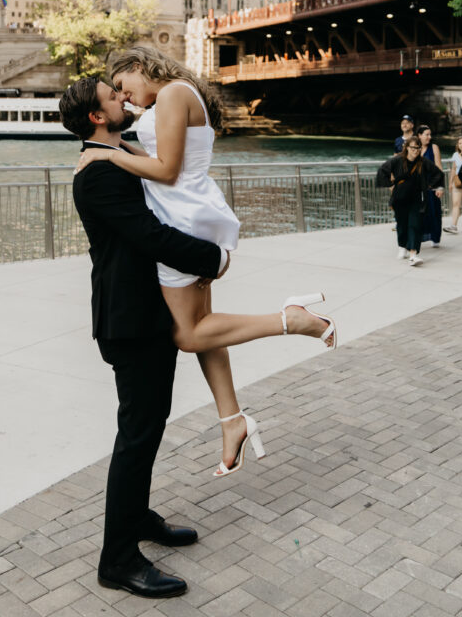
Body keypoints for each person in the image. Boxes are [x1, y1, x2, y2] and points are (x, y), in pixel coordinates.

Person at [74, 47, 336, 476]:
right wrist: (121, 149)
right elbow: (164, 164)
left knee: (190, 335)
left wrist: (109, 154)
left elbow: (168, 172)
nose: (124, 97)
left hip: (184, 218)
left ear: (140, 68)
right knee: (205, 326)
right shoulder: (173, 96)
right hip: (189, 212)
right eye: (116, 93)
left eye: (124, 86)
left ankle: (292, 319)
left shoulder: (175, 94)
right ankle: (232, 420)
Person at [60, 76, 226, 599]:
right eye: (114, 97)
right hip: (130, 321)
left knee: (148, 428)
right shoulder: (99, 175)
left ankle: (136, 518)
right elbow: (150, 236)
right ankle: (118, 559)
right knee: (136, 435)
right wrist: (212, 257)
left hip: (143, 314)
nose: (124, 99)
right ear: (97, 117)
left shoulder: (116, 157)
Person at [377, 136, 445, 265]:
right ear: (407, 147)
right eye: (413, 147)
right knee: (402, 225)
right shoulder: (397, 160)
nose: (416, 150)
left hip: (417, 199)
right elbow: (382, 171)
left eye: (418, 148)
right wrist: (390, 185)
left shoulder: (423, 162)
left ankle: (413, 254)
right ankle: (402, 246)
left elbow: (438, 174)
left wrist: (429, 185)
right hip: (400, 198)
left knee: (415, 225)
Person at [416, 124, 443, 245]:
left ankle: (435, 237)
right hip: (416, 187)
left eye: (430, 134)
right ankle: (418, 237)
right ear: (419, 136)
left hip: (431, 185)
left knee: (434, 211)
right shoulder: (414, 148)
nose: (429, 137)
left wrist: (440, 186)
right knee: (418, 213)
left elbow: (439, 168)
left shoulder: (434, 147)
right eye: (426, 134)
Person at [444, 134, 462, 233]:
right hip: (458, 181)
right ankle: (453, 226)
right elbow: (453, 169)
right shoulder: (455, 155)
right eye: (460, 143)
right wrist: (450, 183)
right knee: (456, 204)